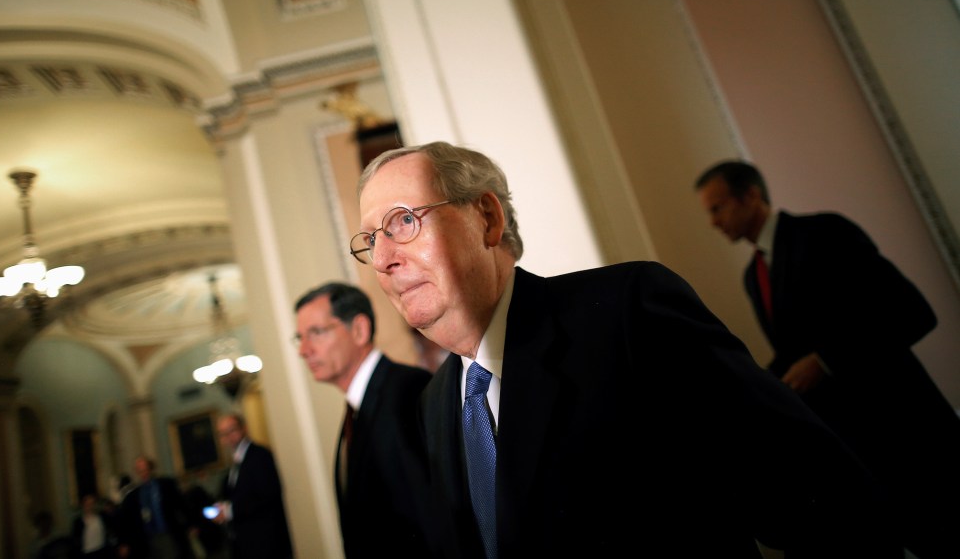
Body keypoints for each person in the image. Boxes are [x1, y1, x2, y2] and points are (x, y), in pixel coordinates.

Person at [352, 140, 908, 559]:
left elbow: (820, 495)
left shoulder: (626, 313)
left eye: (403, 221)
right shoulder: (436, 403)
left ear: (487, 218)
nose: (382, 259)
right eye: (371, 239)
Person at [694, 159, 960, 559]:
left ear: (751, 196)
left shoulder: (823, 233)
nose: (713, 222)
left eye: (717, 208)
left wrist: (826, 360)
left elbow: (910, 311)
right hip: (860, 458)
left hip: (909, 437)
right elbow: (791, 354)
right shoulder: (755, 275)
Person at [295, 281, 442, 557]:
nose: (303, 350)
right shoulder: (355, 410)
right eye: (299, 337)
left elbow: (431, 518)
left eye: (315, 333)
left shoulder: (406, 391)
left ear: (359, 330)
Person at [212, 413, 294, 559]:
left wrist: (230, 511)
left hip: (265, 542)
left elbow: (268, 494)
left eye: (232, 431)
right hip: (247, 542)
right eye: (223, 434)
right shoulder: (236, 461)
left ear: (244, 428)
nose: (228, 437)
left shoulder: (259, 455)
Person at [116, 455, 195, 559]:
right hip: (146, 539)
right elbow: (126, 520)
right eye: (140, 470)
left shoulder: (166, 484)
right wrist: (124, 542)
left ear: (150, 468)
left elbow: (182, 505)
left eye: (145, 469)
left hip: (166, 534)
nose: (143, 473)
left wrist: (192, 524)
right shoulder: (134, 495)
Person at [70, 493, 117, 559]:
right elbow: (75, 541)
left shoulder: (101, 517)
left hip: (102, 550)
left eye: (92, 503)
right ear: (83, 505)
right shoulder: (78, 522)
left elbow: (112, 525)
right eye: (87, 504)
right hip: (87, 553)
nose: (90, 506)